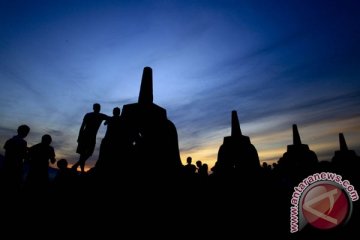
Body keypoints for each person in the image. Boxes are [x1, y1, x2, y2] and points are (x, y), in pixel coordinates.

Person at [72, 103, 108, 174]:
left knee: (84, 154)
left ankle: (77, 166)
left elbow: (82, 127)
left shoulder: (90, 115)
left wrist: (79, 136)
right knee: (86, 154)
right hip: (89, 137)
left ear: (93, 108)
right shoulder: (100, 115)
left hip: (85, 136)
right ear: (97, 108)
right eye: (98, 107)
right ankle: (80, 169)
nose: (98, 108)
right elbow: (111, 118)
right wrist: (106, 121)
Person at [1, 124, 30, 192]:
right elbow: (24, 155)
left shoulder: (9, 141)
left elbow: (7, 152)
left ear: (18, 130)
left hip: (6, 165)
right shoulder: (23, 142)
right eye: (26, 132)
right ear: (25, 133)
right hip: (16, 167)